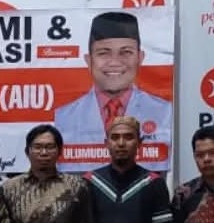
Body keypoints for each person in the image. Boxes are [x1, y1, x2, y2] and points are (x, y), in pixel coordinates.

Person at [54, 11, 173, 172]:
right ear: (89, 61)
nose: (115, 62)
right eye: (104, 53)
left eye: (126, 52)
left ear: (140, 58)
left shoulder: (166, 112)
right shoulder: (63, 117)